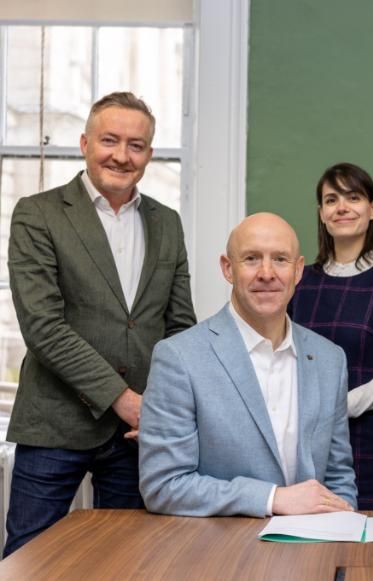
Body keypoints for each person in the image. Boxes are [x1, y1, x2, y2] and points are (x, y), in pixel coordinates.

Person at [3, 92, 196, 556]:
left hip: (138, 436)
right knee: (29, 560)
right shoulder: (38, 213)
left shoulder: (167, 223)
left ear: (149, 154)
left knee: (127, 560)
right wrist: (124, 400)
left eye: (136, 145)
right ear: (85, 142)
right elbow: (44, 327)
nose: (121, 155)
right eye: (110, 140)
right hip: (54, 423)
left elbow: (180, 328)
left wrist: (164, 409)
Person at [138, 212, 357, 517]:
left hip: (312, 552)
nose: (267, 273)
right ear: (228, 269)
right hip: (219, 555)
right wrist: (273, 499)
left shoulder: (330, 359)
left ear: (298, 271)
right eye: (252, 259)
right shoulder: (179, 358)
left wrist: (340, 529)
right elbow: (163, 486)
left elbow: (338, 477)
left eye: (280, 259)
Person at [289, 163, 373, 509]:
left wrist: (340, 407)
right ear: (321, 213)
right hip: (302, 438)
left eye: (353, 197)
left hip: (370, 437)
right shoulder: (299, 281)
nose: (342, 207)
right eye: (331, 200)